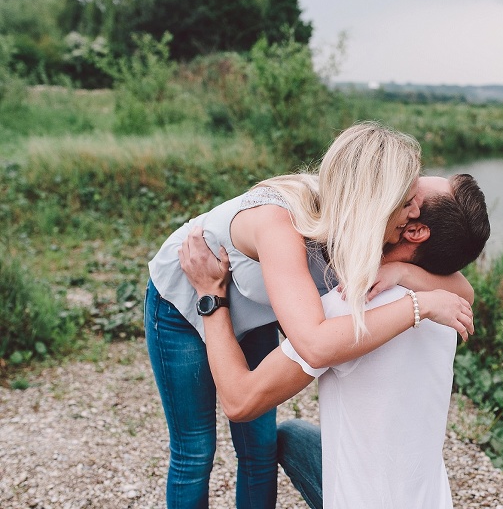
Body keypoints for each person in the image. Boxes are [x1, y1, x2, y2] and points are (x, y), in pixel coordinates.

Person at [143, 122, 475, 508]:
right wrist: (419, 305)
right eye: (407, 200)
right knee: (195, 451)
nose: (415, 209)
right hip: (187, 301)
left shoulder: (365, 232)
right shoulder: (279, 223)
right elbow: (315, 343)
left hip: (252, 312)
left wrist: (402, 272)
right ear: (376, 201)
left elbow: (463, 290)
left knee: (260, 448)